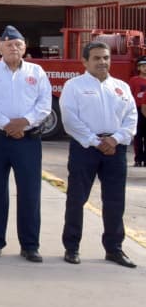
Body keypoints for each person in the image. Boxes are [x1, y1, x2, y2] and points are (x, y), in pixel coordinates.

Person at [0, 25, 52, 262]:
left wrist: (24, 123)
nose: (14, 48)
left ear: (25, 47)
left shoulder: (37, 71)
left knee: (30, 193)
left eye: (18, 44)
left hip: (28, 139)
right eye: (9, 45)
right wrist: (7, 124)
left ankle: (30, 245)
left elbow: (44, 104)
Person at [59, 42, 138, 268]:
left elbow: (131, 118)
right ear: (85, 62)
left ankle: (114, 249)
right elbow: (70, 120)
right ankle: (72, 247)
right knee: (77, 199)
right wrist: (96, 141)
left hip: (116, 148)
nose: (102, 62)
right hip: (85, 149)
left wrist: (115, 139)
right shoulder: (74, 86)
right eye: (96, 58)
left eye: (105, 57)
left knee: (114, 201)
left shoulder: (120, 87)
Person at [129, 57, 146, 167]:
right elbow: (129, 95)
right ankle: (138, 159)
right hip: (137, 110)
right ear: (139, 68)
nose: (145, 68)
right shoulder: (134, 80)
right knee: (138, 136)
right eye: (143, 66)